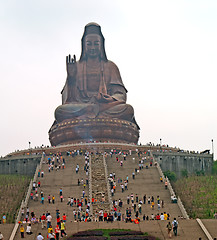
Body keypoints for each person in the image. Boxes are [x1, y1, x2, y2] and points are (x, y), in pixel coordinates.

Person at [54, 22, 139, 128]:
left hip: (104, 106)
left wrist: (109, 98)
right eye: (89, 44)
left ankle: (93, 112)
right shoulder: (77, 66)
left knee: (127, 110)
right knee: (60, 111)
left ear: (101, 45)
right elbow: (68, 99)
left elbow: (120, 94)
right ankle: (92, 111)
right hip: (83, 107)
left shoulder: (110, 66)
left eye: (96, 43)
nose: (92, 47)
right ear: (84, 45)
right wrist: (71, 78)